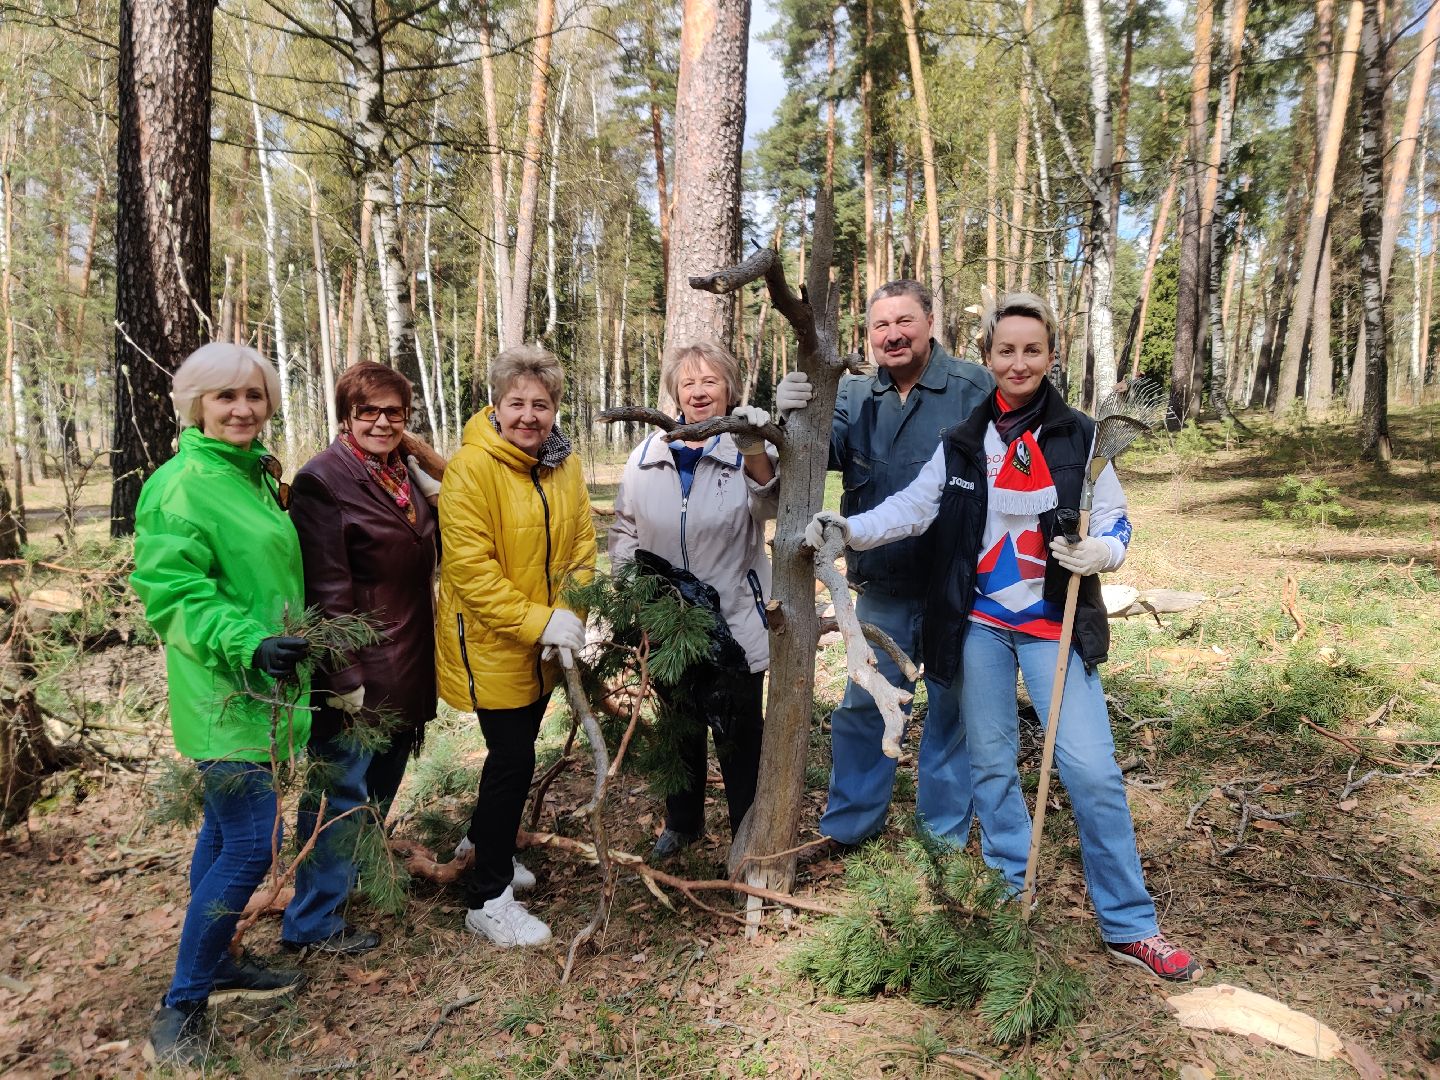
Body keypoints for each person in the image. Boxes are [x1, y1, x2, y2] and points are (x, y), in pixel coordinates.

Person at [804, 292, 1201, 981]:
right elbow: (914, 507)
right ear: (987, 356)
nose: (1019, 363)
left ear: (1051, 356)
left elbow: (1116, 521)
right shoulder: (965, 440)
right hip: (981, 627)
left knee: (1091, 770)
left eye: (1032, 350)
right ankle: (1008, 893)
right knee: (990, 766)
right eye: (1006, 350)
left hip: (1054, 627)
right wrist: (851, 530)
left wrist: (1102, 553)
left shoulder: (1083, 437)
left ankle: (1130, 924)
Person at [131, 343, 312, 1066]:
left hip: (259, 688)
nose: (241, 409)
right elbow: (174, 594)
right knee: (249, 843)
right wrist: (249, 641)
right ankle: (182, 1007)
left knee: (222, 835)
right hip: (223, 692)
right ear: (196, 405)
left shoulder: (250, 474)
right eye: (225, 397)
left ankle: (222, 960)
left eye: (253, 395)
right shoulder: (180, 486)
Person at [778, 279, 992, 852]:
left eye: (904, 321)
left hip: (958, 590)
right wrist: (790, 415)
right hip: (880, 586)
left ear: (930, 323)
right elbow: (812, 455)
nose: (893, 334)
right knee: (864, 706)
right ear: (869, 334)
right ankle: (851, 825)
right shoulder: (852, 395)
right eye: (880, 325)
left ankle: (942, 834)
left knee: (951, 711)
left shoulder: (973, 388)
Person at [436, 345, 596, 948]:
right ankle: (488, 898)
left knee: (517, 751)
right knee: (512, 761)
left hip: (543, 642)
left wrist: (570, 617)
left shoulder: (564, 465)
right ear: (496, 406)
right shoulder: (471, 468)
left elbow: (582, 546)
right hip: (492, 643)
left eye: (541, 404)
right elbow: (471, 572)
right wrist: (539, 622)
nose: (529, 415)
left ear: (555, 409)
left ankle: (483, 845)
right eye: (517, 403)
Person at [279, 362, 441, 957]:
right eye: (367, 411)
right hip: (358, 669)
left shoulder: (404, 472)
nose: (381, 422)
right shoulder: (323, 480)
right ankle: (312, 918)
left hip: (409, 658)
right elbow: (326, 587)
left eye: (393, 412)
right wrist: (342, 674)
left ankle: (348, 883)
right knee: (340, 791)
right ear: (346, 414)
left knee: (377, 786)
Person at [608, 341, 778, 861]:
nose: (699, 392)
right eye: (688, 383)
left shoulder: (743, 448)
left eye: (710, 382)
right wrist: (632, 593)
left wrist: (754, 448)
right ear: (674, 392)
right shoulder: (647, 455)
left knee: (739, 736)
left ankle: (748, 834)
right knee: (679, 726)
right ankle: (682, 823)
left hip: (734, 620)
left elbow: (771, 504)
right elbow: (624, 528)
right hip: (668, 621)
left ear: (729, 390)